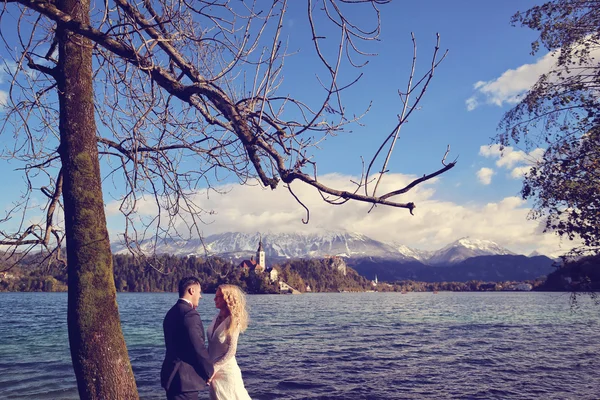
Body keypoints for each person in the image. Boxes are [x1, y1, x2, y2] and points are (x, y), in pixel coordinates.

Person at [161, 277, 212, 400]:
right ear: (191, 291)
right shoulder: (190, 314)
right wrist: (209, 371)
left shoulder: (171, 312)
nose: (201, 296)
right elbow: (198, 347)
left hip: (171, 376)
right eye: (199, 292)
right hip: (185, 381)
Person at [206, 284, 251, 400]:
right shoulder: (216, 317)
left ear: (228, 298)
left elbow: (231, 350)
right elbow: (211, 345)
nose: (214, 299)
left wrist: (215, 367)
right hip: (213, 373)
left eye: (218, 297)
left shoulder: (233, 321)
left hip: (226, 372)